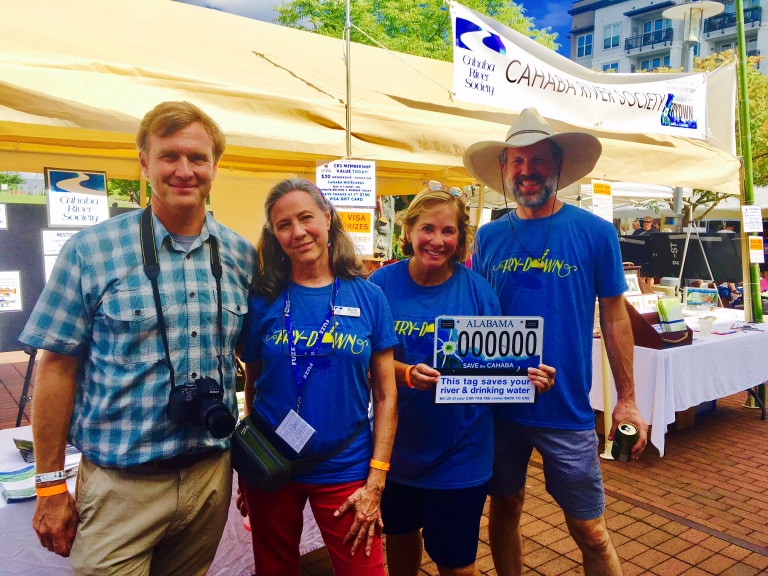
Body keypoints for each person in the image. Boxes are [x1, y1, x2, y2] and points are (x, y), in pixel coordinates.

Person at [19, 101, 256, 574]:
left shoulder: (241, 255)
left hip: (209, 476)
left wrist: (249, 462)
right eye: (169, 156)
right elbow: (57, 366)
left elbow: (253, 363)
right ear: (144, 163)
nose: (184, 170)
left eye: (197, 158)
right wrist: (48, 486)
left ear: (215, 166)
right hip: (119, 487)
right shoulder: (91, 251)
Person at [463, 108, 648, 576]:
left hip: (566, 412)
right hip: (500, 406)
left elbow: (615, 317)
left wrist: (627, 400)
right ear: (504, 168)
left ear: (558, 165)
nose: (528, 172)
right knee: (503, 512)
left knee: (591, 530)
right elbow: (477, 318)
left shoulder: (596, 232)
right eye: (517, 162)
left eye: (538, 160)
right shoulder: (487, 238)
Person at [369, 183, 555, 576]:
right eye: (427, 229)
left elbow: (497, 364)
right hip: (396, 450)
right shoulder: (381, 286)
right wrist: (406, 374)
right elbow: (364, 363)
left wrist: (528, 376)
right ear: (408, 232)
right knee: (401, 540)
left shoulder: (478, 291)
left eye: (448, 231)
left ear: (461, 236)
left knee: (456, 563)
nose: (436, 240)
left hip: (460, 453)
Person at [237, 178, 398, 576]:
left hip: (345, 467)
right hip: (273, 467)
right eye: (284, 224)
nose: (298, 232)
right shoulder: (263, 298)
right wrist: (250, 463)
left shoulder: (367, 296)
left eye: (306, 217)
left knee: (365, 570)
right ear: (274, 235)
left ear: (327, 217)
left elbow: (386, 396)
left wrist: (376, 478)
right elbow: (253, 384)